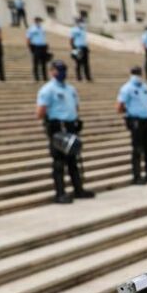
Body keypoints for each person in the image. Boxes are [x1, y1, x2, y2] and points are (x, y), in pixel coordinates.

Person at [36, 60, 95, 203]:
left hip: (70, 126)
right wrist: (52, 124)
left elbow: (75, 106)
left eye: (63, 69)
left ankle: (78, 189)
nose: (61, 72)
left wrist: (75, 120)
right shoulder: (47, 89)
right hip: (57, 127)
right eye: (58, 70)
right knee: (59, 162)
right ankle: (60, 193)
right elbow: (40, 112)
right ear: (52, 71)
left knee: (73, 160)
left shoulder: (70, 89)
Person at [117, 67, 147, 185]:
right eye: (136, 73)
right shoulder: (126, 88)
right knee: (137, 149)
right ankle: (136, 176)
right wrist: (130, 112)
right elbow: (119, 107)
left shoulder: (144, 87)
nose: (138, 75)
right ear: (131, 74)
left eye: (139, 73)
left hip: (146, 120)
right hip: (135, 121)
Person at [26, 16, 49, 82]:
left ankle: (45, 77)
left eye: (40, 21)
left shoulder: (42, 28)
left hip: (43, 46)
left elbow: (44, 37)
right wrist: (29, 47)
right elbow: (28, 38)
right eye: (38, 21)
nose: (39, 22)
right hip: (36, 46)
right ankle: (36, 77)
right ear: (35, 21)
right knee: (35, 62)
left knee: (43, 63)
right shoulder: (31, 28)